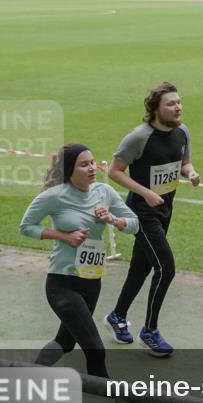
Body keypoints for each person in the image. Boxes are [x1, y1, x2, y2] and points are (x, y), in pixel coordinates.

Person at [20, 143, 139, 378]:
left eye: (92, 162)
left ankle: (28, 378)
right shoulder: (54, 196)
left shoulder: (104, 192)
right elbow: (26, 227)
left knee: (64, 342)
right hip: (62, 283)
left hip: (91, 281)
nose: (92, 168)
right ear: (69, 171)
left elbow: (134, 223)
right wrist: (63, 236)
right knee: (95, 349)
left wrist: (113, 219)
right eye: (84, 165)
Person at [104, 81, 200, 357]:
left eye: (179, 102)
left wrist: (191, 173)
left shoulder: (182, 132)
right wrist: (145, 193)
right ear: (155, 109)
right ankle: (149, 331)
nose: (178, 107)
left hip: (165, 209)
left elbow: (184, 162)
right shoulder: (139, 137)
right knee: (165, 269)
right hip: (142, 213)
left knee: (141, 267)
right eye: (171, 103)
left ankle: (117, 316)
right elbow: (115, 171)